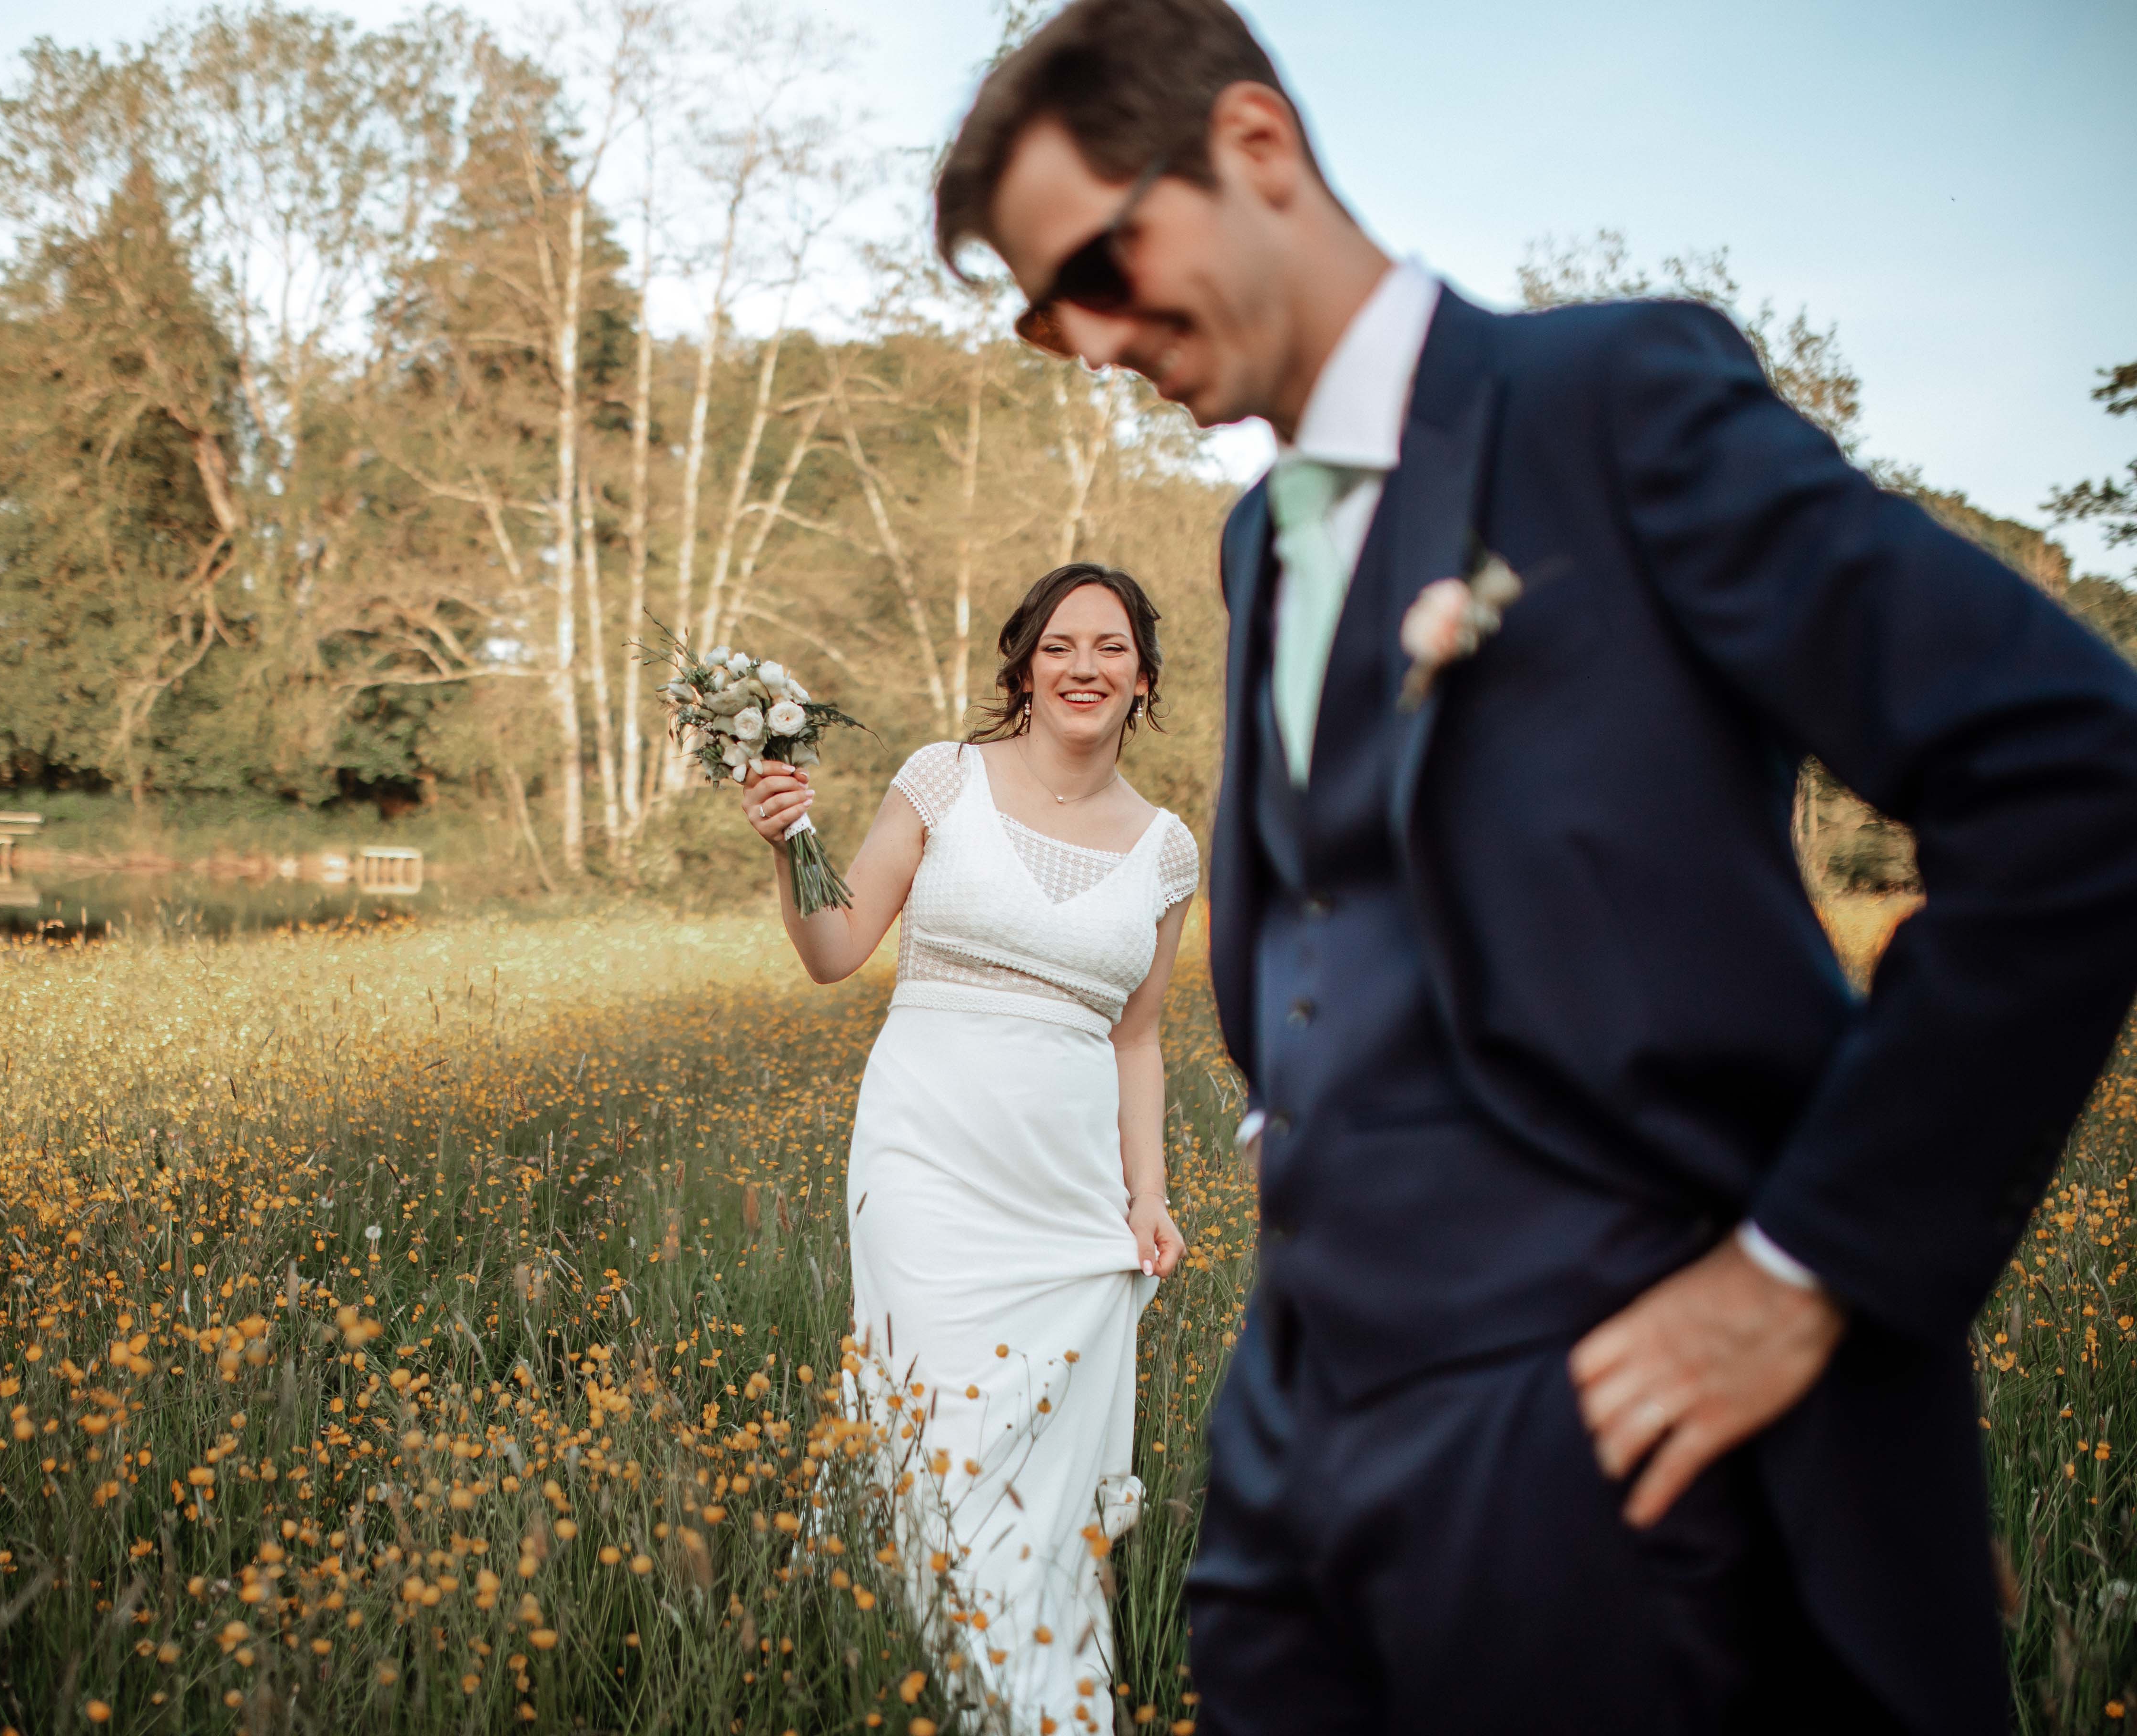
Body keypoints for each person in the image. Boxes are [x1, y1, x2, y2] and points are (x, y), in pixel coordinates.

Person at [933, 2, 2137, 1732]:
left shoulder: (1606, 404)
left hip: (1611, 1422)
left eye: (1108, 264)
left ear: (1255, 149)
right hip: (1299, 1434)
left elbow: (2071, 773)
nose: (1103, 337)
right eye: (1058, 316)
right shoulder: (1258, 544)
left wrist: (1818, 1279)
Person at [739, 562, 1202, 1733]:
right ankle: (905, 1654)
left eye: (1109, 648)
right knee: (933, 1404)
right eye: (1060, 646)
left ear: (1142, 677)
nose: (1084, 667)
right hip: (925, 1154)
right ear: (1025, 667)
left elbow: (1138, 1038)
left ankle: (1013, 1676)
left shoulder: (1166, 849)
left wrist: (1148, 1195)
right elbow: (835, 950)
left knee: (1036, 1454)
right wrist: (793, 843)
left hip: (1067, 1193)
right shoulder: (945, 778)